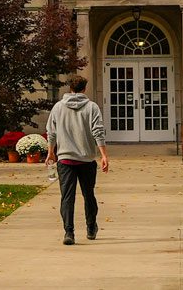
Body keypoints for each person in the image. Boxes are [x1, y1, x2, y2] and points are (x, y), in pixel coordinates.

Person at [45, 75, 109, 246]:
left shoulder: (58, 107)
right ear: (84, 89)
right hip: (86, 159)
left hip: (65, 160)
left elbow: (51, 132)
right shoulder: (92, 107)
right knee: (89, 195)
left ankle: (69, 232)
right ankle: (90, 227)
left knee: (67, 197)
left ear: (70, 88)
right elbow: (98, 131)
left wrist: (51, 152)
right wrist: (104, 155)